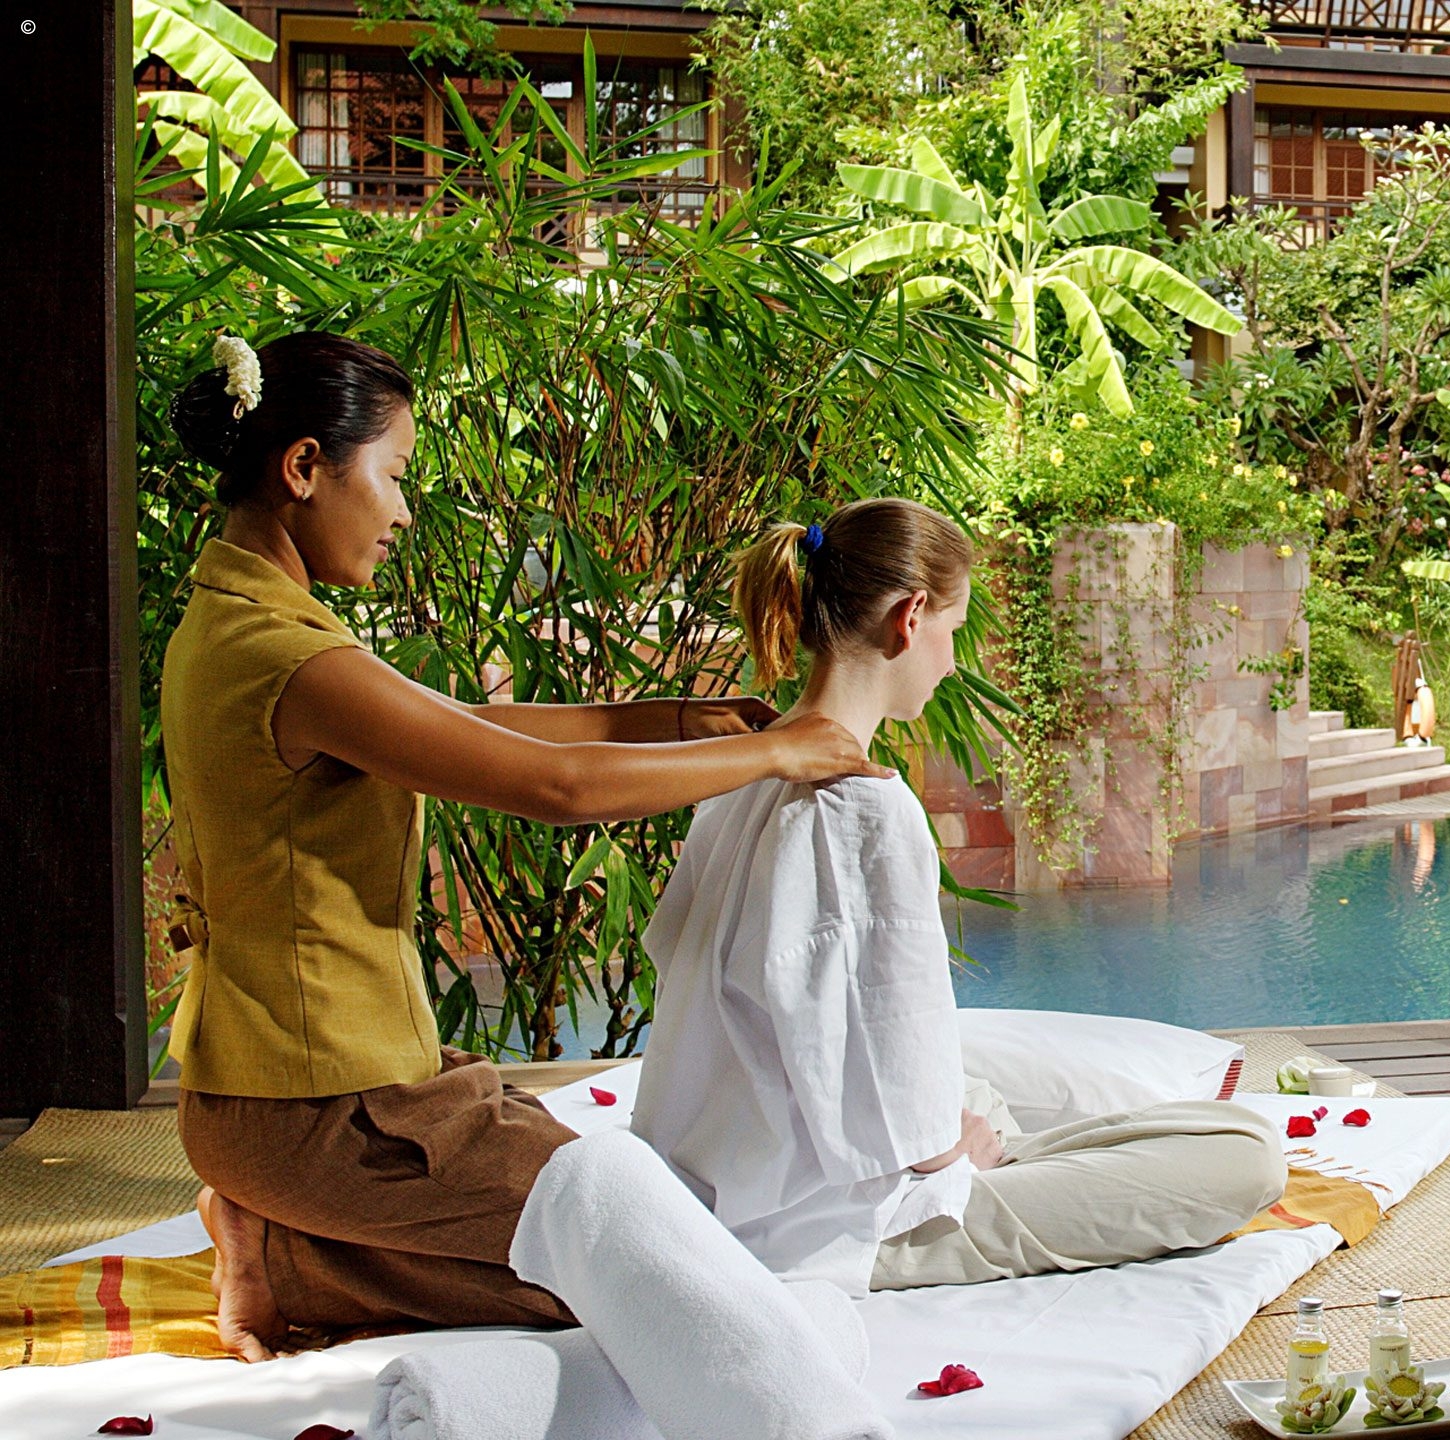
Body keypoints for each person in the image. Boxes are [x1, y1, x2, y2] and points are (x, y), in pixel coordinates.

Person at [160, 332, 889, 1361]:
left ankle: (286, 1234)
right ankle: (286, 1253)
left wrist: (674, 721)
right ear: (305, 467)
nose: (404, 512)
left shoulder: (234, 622)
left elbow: (465, 725)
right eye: (395, 476)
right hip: (326, 1111)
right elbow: (558, 789)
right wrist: (779, 751)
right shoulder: (290, 657)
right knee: (664, 1278)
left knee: (626, 1239)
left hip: (298, 1086)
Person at [632, 497, 1286, 1294]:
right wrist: (947, 1154)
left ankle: (992, 1138)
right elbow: (892, 1050)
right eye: (953, 631)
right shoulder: (866, 807)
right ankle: (994, 1148)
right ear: (909, 618)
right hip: (838, 1225)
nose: (950, 665)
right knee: (1243, 1155)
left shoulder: (740, 774)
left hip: (721, 1177)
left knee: (987, 1085)